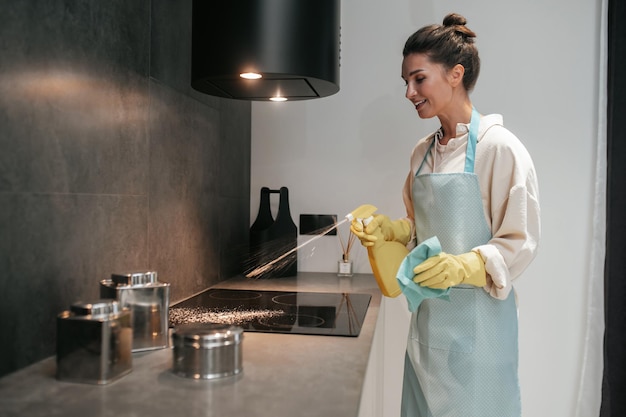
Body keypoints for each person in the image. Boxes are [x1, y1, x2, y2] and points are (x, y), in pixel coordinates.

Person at [350, 13, 540, 417]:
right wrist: (391, 230)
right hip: (426, 336)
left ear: (456, 74)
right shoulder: (422, 154)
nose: (409, 92)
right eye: (405, 82)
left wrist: (465, 265)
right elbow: (420, 229)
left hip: (479, 344)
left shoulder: (498, 149)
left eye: (418, 79)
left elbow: (519, 242)